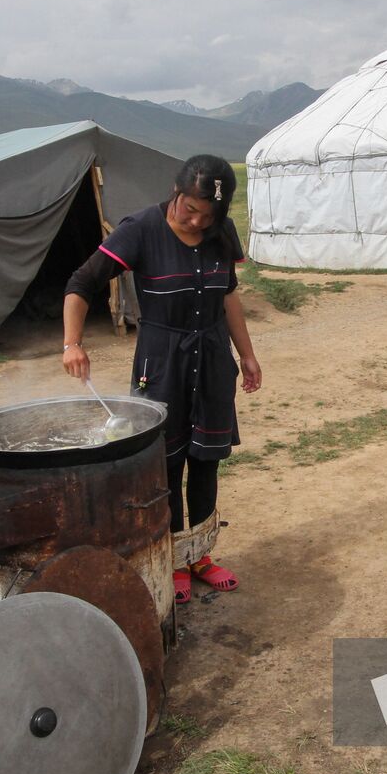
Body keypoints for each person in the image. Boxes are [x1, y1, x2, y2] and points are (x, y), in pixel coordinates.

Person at [61, 156, 262, 604]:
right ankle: (171, 558)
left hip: (211, 358)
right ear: (176, 192)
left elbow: (228, 295)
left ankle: (202, 555)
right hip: (161, 362)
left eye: (206, 215)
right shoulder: (141, 229)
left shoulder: (220, 233)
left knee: (206, 458)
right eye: (189, 207)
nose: (195, 219)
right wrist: (71, 342)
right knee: (165, 464)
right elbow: (81, 282)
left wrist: (246, 355)